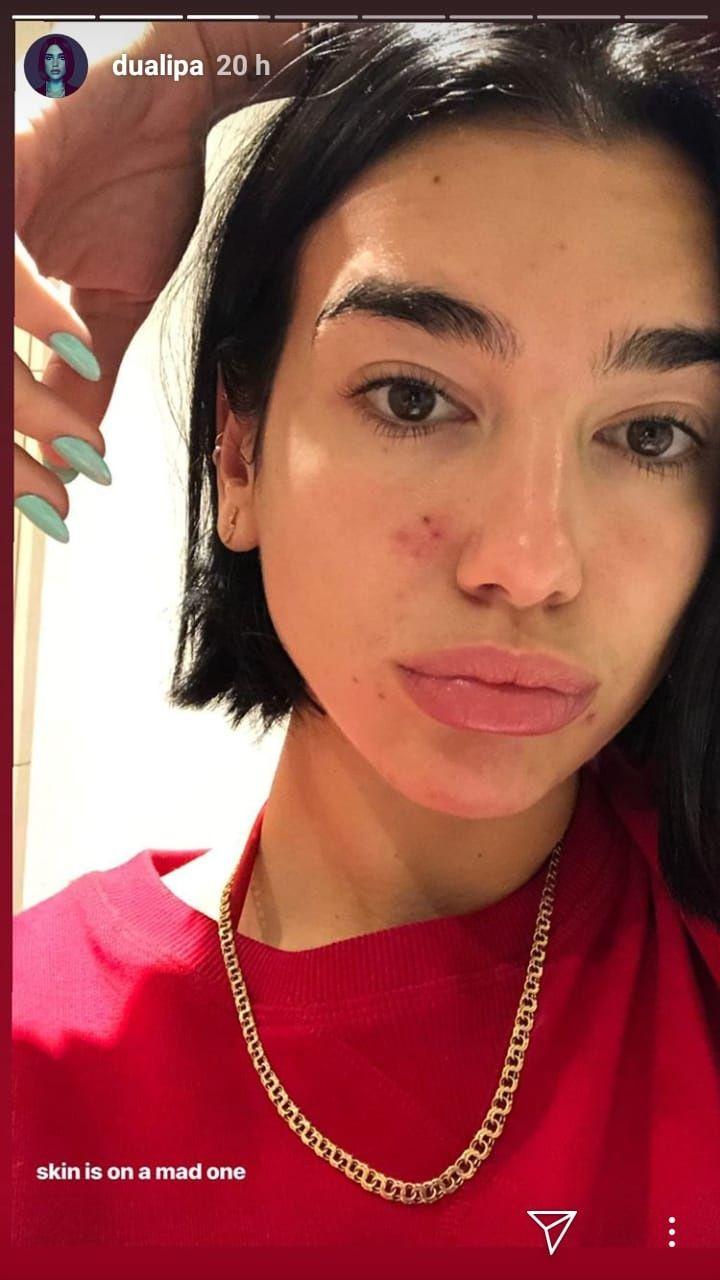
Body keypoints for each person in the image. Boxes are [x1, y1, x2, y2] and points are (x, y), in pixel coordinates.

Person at [12, 18, 720, 1249]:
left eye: (651, 434)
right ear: (238, 453)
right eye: (413, 397)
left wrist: (206, 57)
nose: (527, 564)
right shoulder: (34, 1044)